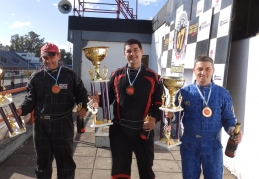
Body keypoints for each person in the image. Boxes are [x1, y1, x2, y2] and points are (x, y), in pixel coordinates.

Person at [89, 39, 164, 179]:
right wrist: (99, 100)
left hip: (143, 130)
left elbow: (159, 103)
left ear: (141, 52)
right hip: (119, 130)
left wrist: (154, 118)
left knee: (146, 170)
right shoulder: (116, 75)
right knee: (119, 171)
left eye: (135, 50)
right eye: (129, 51)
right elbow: (109, 98)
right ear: (124, 54)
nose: (132, 54)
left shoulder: (153, 77)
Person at [16, 43, 88, 179]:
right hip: (41, 125)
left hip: (63, 123)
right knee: (42, 164)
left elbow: (82, 94)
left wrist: (83, 107)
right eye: (45, 57)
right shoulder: (36, 78)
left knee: (66, 163)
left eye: (51, 56)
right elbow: (29, 100)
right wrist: (21, 110)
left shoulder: (70, 75)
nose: (48, 60)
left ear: (58, 55)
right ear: (41, 57)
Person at [166, 54, 243, 179]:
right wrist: (170, 117)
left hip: (213, 146)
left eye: (207, 69)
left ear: (213, 71)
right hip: (190, 145)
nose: (203, 72)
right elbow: (175, 117)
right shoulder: (184, 93)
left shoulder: (223, 94)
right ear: (194, 70)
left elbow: (228, 119)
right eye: (200, 69)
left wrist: (233, 131)